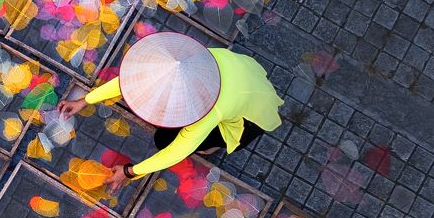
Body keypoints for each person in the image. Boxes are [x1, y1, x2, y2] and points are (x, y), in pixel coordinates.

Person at [57, 32, 283, 191]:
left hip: (250, 115)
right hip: (238, 73)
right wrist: (86, 100)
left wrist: (129, 172)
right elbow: (133, 81)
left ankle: (210, 146)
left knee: (165, 138)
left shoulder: (210, 111)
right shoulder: (185, 61)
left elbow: (175, 152)